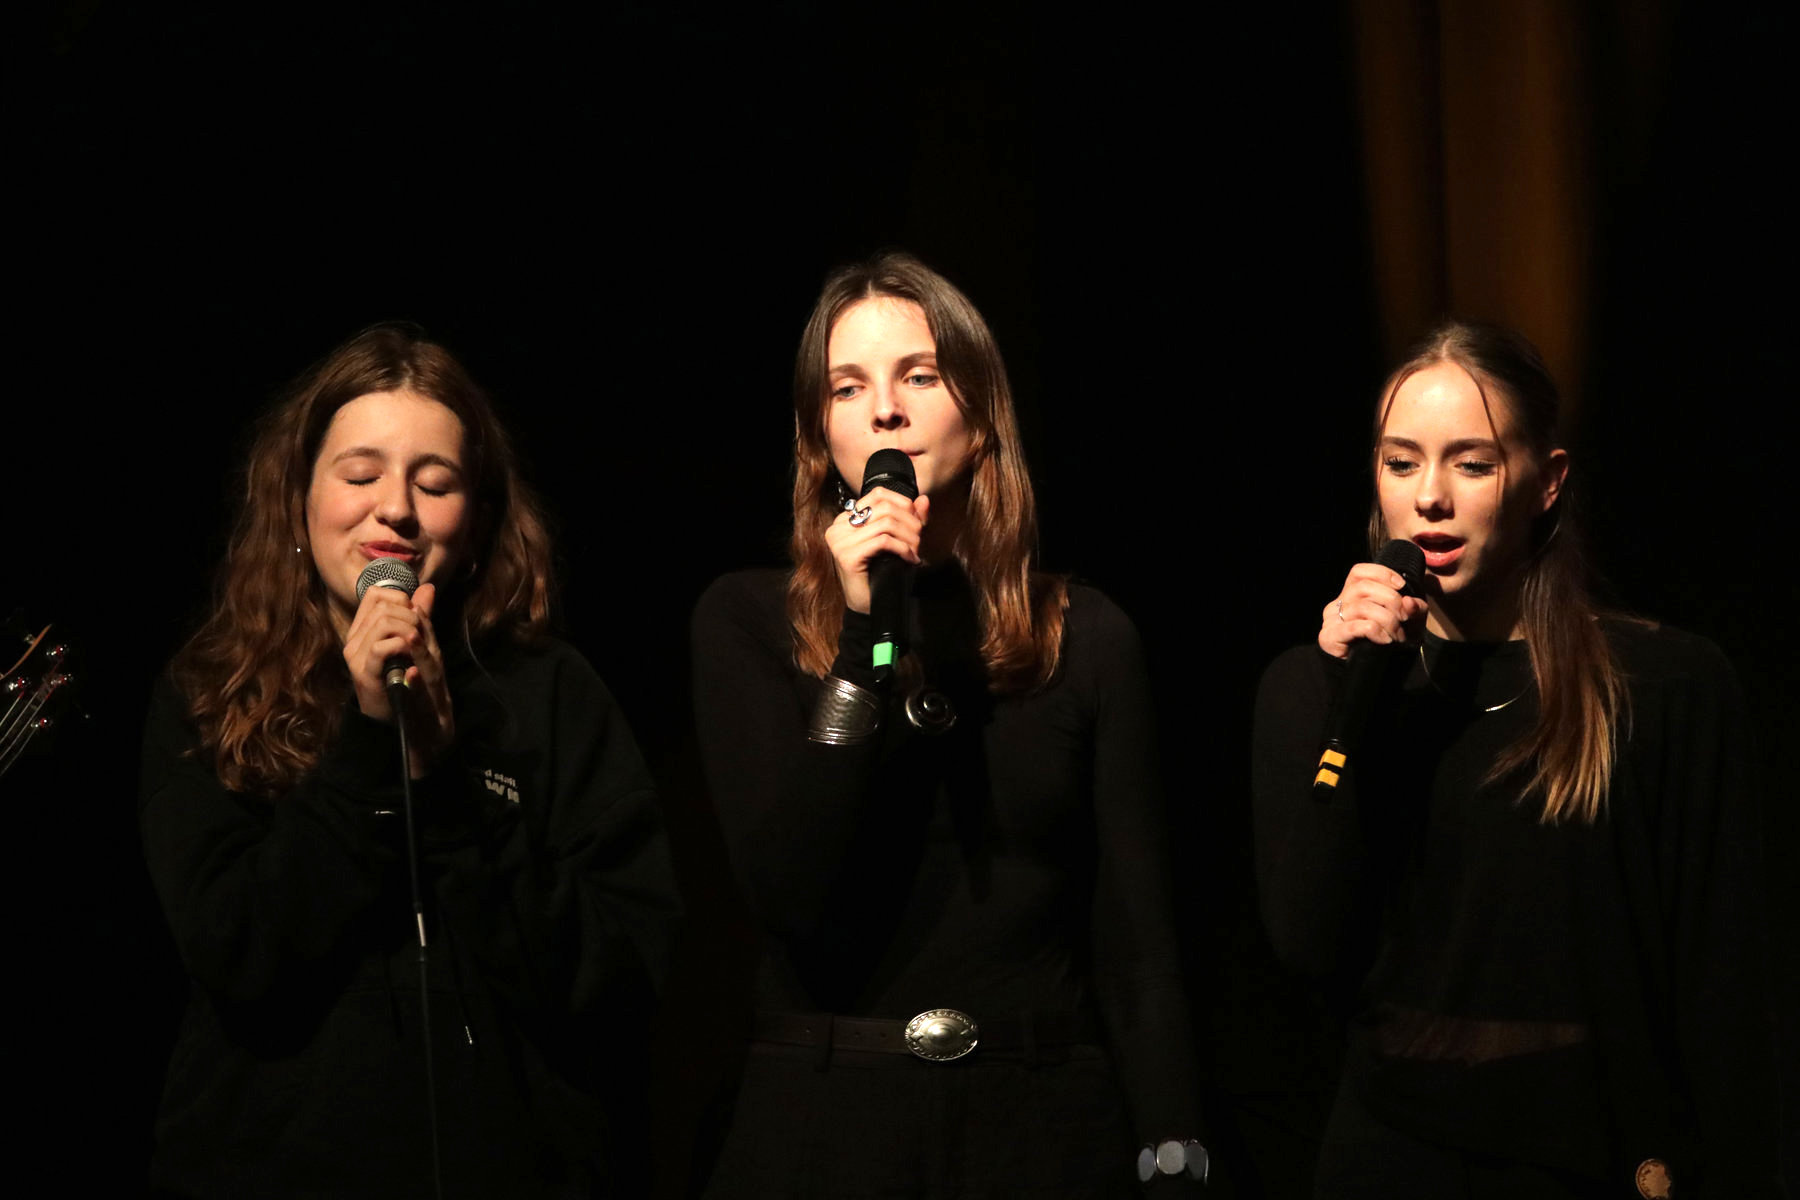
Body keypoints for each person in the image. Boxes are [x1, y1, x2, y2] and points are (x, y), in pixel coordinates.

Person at [690, 252, 1209, 1197]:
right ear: (820, 435)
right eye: (848, 388)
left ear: (983, 411)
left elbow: (1138, 946)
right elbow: (790, 895)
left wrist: (1176, 1155)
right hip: (828, 1118)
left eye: (919, 377)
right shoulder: (746, 620)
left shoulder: (1087, 636)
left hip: (1043, 1124)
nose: (885, 411)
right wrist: (862, 645)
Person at [140, 324, 679, 1198]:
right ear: (299, 498)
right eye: (360, 475)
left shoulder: (548, 694)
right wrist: (367, 742)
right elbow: (242, 956)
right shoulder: (211, 691)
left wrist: (441, 773)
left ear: (475, 523)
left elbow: (617, 981)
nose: (395, 508)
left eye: (434, 484)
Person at [1252, 321, 1779, 1198]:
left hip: (1589, 1162)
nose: (1430, 498)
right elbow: (1306, 944)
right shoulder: (1318, 685)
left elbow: (1725, 995)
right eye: (1400, 462)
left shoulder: (1665, 685)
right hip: (1391, 1161)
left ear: (1548, 481)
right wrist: (1351, 696)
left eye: (1473, 463)